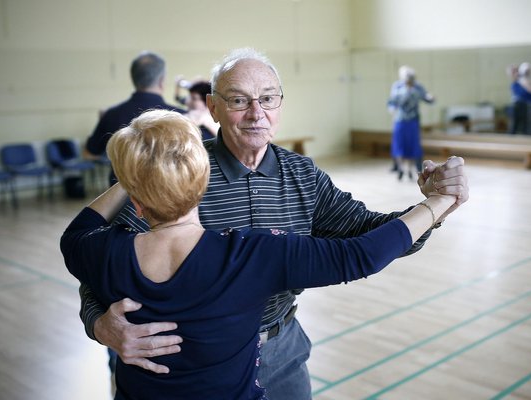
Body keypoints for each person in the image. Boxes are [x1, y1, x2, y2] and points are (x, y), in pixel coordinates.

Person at [78, 47, 469, 399]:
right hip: (184, 361)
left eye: (267, 98)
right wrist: (101, 326)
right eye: (238, 101)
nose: (256, 113)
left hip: (281, 351)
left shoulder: (301, 174)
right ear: (212, 108)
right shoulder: (180, 171)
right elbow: (105, 260)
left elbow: (370, 235)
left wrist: (432, 208)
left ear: (280, 103)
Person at [84, 51, 185, 185]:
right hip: (167, 192)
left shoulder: (112, 114)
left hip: (121, 196)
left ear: (134, 79)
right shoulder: (181, 117)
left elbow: (89, 153)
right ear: (161, 81)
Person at [387, 65, 435, 181]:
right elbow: (392, 101)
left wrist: (431, 98)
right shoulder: (397, 86)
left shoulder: (418, 87)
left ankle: (414, 170)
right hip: (400, 120)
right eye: (406, 76)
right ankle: (400, 169)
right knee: (399, 145)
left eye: (410, 76)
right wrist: (392, 108)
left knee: (413, 146)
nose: (408, 79)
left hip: (413, 121)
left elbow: (427, 98)